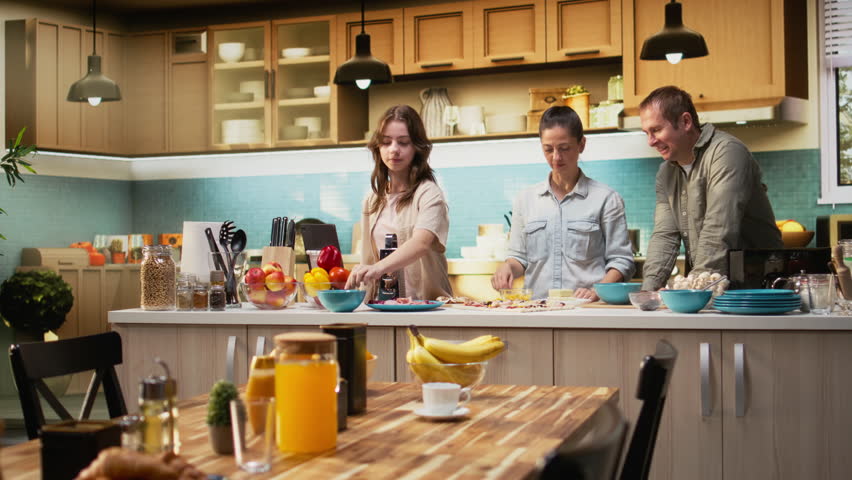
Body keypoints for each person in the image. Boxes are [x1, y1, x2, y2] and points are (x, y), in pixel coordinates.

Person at [639, 85, 784, 291]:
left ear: (686, 122)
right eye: (646, 133)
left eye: (656, 130)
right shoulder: (666, 173)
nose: (651, 141)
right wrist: (648, 291)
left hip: (758, 285)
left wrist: (695, 288)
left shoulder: (727, 152)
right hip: (711, 285)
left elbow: (719, 226)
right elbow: (665, 235)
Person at [491, 106, 635, 300]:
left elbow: (622, 261)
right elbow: (519, 258)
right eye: (548, 149)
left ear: (581, 144)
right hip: (537, 308)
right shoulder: (526, 199)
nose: (556, 157)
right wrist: (507, 266)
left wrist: (597, 291)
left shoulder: (606, 199)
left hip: (587, 310)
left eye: (564, 148)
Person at [344, 105, 452, 300]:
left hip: (424, 305)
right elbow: (368, 256)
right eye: (386, 142)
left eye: (403, 142)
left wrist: (377, 268)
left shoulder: (429, 194)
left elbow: (422, 243)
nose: (394, 150)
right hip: (381, 305)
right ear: (378, 147)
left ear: (417, 148)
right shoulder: (372, 199)